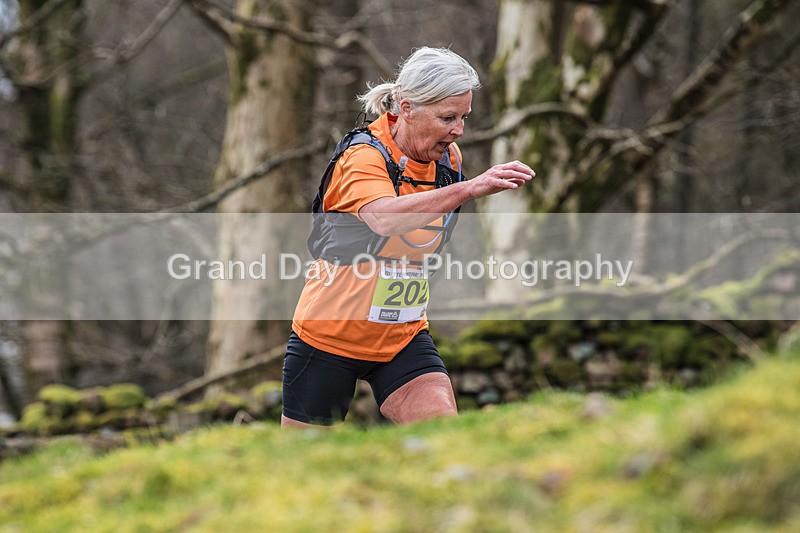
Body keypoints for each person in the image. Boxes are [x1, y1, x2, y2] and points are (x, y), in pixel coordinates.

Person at [281, 47, 535, 428]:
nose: (458, 130)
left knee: (443, 438)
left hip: (403, 336)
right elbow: (384, 219)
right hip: (328, 338)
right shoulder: (363, 156)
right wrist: (470, 189)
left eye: (464, 117)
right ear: (406, 107)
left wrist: (464, 185)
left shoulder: (450, 160)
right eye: (448, 117)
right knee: (297, 471)